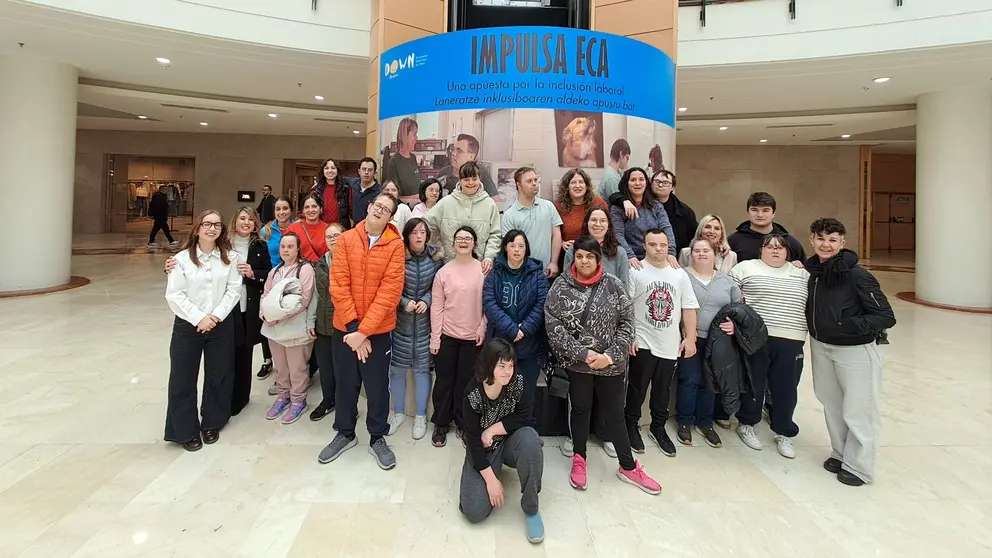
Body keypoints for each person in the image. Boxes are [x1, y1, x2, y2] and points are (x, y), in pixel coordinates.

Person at [545, 235, 662, 495]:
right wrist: (585, 354)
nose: (584, 261)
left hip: (611, 364)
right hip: (578, 364)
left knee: (614, 415)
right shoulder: (561, 286)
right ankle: (579, 458)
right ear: (573, 258)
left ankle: (628, 466)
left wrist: (608, 356)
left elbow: (627, 323)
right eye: (580, 256)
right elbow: (554, 325)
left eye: (590, 256)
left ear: (598, 258)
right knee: (580, 409)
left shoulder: (614, 285)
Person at [805, 218, 895, 486]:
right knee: (832, 404)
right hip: (822, 347)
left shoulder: (858, 275)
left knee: (859, 409)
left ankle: (860, 467)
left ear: (842, 243)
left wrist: (847, 326)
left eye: (832, 240)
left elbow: (885, 316)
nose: (826, 244)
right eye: (821, 238)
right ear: (812, 240)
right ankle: (841, 453)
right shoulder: (815, 273)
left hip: (855, 351)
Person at [318, 193, 405, 470]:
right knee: (345, 384)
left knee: (377, 387)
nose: (379, 211)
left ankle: (377, 436)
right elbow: (338, 285)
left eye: (386, 210)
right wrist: (355, 331)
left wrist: (365, 332)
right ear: (369, 207)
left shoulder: (395, 246)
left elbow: (390, 293)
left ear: (391, 218)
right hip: (346, 329)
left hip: (377, 333)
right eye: (377, 206)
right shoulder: (345, 240)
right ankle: (344, 432)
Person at [164, 210, 241, 451]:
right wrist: (199, 318)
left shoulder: (230, 257)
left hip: (220, 324)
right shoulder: (181, 260)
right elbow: (175, 294)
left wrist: (215, 317)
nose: (212, 229)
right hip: (188, 325)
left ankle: (212, 422)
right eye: (207, 224)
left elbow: (233, 290)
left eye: (217, 225)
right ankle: (184, 430)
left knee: (219, 374)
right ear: (197, 228)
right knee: (182, 378)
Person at [729, 234, 810, 459]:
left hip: (791, 337)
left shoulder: (801, 274)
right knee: (753, 383)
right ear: (761, 250)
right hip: (756, 337)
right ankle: (747, 423)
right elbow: (731, 297)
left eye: (780, 247)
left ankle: (784, 432)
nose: (775, 250)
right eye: (770, 246)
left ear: (788, 252)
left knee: (785, 388)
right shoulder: (745, 268)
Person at [459, 339, 545, 544]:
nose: (508, 371)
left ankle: (531, 510)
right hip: (485, 449)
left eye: (511, 365)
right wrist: (491, 480)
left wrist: (492, 429)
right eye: (501, 366)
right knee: (473, 511)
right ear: (489, 365)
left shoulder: (519, 382)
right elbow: (472, 441)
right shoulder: (473, 393)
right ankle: (493, 472)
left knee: (531, 442)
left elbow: (527, 418)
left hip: (512, 440)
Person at [624, 229, 699, 457]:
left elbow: (688, 307)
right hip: (643, 341)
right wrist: (628, 337)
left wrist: (690, 337)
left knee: (662, 391)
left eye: (663, 244)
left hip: (669, 343)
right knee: (637, 389)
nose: (658, 249)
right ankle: (631, 425)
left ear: (669, 246)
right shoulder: (635, 271)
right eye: (653, 244)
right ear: (644, 246)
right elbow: (625, 307)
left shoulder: (679, 275)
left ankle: (658, 427)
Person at [676, 238, 741, 448]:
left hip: (717, 341)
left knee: (709, 382)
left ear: (715, 255)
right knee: (689, 378)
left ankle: (706, 422)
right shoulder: (681, 275)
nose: (702, 254)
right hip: (688, 336)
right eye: (697, 251)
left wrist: (734, 325)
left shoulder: (726, 281)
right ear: (691, 254)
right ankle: (684, 422)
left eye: (706, 250)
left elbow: (739, 310)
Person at [430, 226, 487, 447]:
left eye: (468, 238)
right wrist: (435, 338)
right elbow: (437, 307)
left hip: (473, 337)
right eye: (459, 238)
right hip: (447, 336)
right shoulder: (443, 272)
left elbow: (487, 305)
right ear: (453, 243)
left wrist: (482, 328)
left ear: (474, 243)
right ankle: (441, 422)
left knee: (468, 383)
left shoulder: (482, 270)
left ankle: (464, 423)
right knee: (444, 381)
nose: (463, 242)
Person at [388, 218, 442, 439]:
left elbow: (437, 287)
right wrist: (403, 302)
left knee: (422, 370)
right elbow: (389, 287)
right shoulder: (397, 257)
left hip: (424, 325)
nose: (419, 236)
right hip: (400, 324)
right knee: (397, 370)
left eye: (423, 232)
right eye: (414, 232)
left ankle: (420, 416)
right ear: (407, 235)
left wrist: (427, 300)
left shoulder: (435, 258)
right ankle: (398, 412)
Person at [259, 232, 317, 424]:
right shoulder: (274, 271)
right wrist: (265, 314)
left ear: (298, 248)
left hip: (295, 329)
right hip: (273, 330)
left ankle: (298, 400)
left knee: (297, 368)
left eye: (290, 246)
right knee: (281, 368)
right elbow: (265, 295)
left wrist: (277, 316)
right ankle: (283, 397)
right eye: (283, 246)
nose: (285, 250)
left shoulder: (305, 270)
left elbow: (304, 300)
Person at [483, 230, 549, 395]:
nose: (517, 250)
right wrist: (512, 329)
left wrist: (524, 329)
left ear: (526, 249)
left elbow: (542, 304)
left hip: (529, 343)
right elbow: (490, 304)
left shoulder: (537, 275)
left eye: (521, 246)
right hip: (500, 341)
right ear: (506, 247)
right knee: (499, 390)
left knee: (526, 393)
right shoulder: (495, 273)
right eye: (512, 245)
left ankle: (524, 422)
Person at [424, 161, 501, 273]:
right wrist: (436, 250)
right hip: (449, 267)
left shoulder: (490, 204)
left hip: (480, 269)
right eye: (466, 179)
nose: (470, 183)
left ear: (480, 179)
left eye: (474, 179)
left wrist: (489, 257)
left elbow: (495, 234)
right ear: (459, 180)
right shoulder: (446, 202)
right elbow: (426, 225)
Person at [310, 223, 346, 422]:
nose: (333, 239)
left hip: (344, 325)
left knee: (343, 369)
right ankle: (327, 400)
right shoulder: (320, 264)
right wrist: (310, 322)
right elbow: (314, 295)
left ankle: (345, 405)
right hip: (323, 324)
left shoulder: (352, 261)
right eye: (329, 237)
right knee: (325, 367)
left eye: (336, 235)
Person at [609, 167, 677, 269]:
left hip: (656, 257)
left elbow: (666, 228)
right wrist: (630, 256)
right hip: (631, 261)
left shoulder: (656, 206)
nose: (637, 183)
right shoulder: (617, 209)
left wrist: (671, 252)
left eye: (641, 179)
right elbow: (617, 235)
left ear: (646, 183)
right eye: (633, 180)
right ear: (626, 183)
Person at [501, 167, 563, 278]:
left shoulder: (548, 206)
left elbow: (556, 235)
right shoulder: (509, 215)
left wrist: (554, 262)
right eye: (529, 181)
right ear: (519, 185)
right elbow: (510, 247)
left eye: (535, 180)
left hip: (547, 271)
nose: (534, 184)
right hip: (522, 274)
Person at [256, 196, 294, 379]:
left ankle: (289, 363)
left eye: (285, 208)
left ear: (290, 210)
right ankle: (267, 359)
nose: (282, 212)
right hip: (271, 280)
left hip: (292, 281)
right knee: (269, 319)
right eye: (278, 209)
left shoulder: (297, 228)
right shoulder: (266, 231)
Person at [564, 207, 630, 290]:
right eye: (593, 220)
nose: (598, 224)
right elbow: (566, 285)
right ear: (586, 223)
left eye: (602, 220)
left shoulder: (620, 253)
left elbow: (624, 287)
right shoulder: (573, 250)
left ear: (608, 225)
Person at [728, 192, 806, 263]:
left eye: (765, 210)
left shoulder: (790, 242)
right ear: (748, 212)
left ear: (773, 213)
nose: (760, 215)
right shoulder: (733, 241)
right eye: (754, 210)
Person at [554, 168, 607, 257]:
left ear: (587, 185)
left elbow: (609, 228)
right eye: (573, 182)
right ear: (567, 186)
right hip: (568, 254)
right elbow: (552, 233)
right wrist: (562, 243)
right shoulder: (558, 206)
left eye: (581, 182)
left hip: (595, 253)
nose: (577, 186)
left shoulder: (598, 202)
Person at [648, 170, 697, 254]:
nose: (660, 185)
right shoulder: (642, 205)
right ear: (651, 183)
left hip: (676, 258)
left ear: (673, 187)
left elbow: (695, 235)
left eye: (665, 183)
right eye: (657, 181)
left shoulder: (684, 211)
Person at [439, 133, 499, 198]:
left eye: (459, 151)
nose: (453, 153)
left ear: (471, 156)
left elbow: (495, 200)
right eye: (453, 149)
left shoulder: (480, 172)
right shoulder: (444, 173)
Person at [385, 117, 422, 198]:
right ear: (404, 135)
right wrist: (416, 198)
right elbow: (393, 197)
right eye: (414, 134)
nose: (416, 138)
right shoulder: (394, 162)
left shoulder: (413, 158)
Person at [311, 157, 352, 228]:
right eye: (326, 168)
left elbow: (352, 211)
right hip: (321, 229)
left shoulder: (345, 189)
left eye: (333, 168)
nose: (330, 171)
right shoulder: (316, 190)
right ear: (323, 171)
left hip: (341, 229)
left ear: (337, 170)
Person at [285, 195, 328, 262]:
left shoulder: (328, 229)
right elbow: (286, 252)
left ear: (321, 209)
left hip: (321, 270)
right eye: (307, 207)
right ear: (303, 211)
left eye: (314, 206)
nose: (310, 210)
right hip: (299, 269)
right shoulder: (293, 229)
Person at [347, 156, 382, 222]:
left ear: (375, 173)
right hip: (355, 228)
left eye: (370, 170)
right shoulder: (353, 183)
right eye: (364, 169)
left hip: (371, 228)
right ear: (359, 171)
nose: (366, 172)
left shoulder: (380, 192)